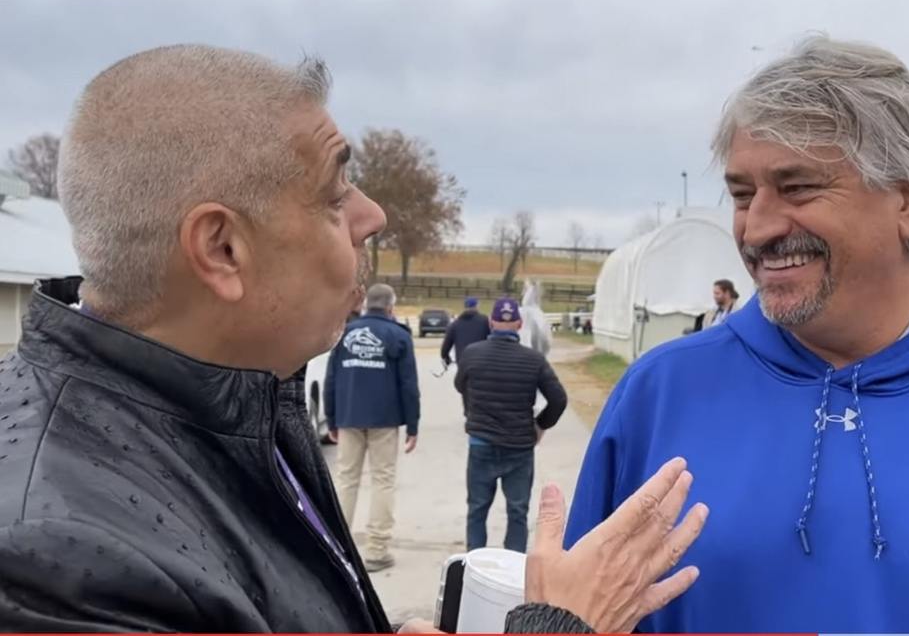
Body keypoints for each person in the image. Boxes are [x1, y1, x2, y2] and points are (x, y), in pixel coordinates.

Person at [0, 44, 709, 633]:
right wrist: (562, 624)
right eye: (335, 196)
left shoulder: (238, 392)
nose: (372, 215)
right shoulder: (53, 569)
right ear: (221, 250)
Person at [566, 36, 909, 633]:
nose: (757, 229)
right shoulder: (659, 395)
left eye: (798, 187)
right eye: (741, 194)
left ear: (907, 200)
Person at [455, 297, 567, 553]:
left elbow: (460, 385)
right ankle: (513, 568)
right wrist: (540, 425)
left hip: (481, 442)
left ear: (492, 323)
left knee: (477, 509)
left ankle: (474, 561)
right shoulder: (534, 360)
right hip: (519, 446)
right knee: (517, 510)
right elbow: (558, 399)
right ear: (518, 324)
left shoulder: (472, 353)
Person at [324, 282, 418, 573]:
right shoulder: (398, 336)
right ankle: (376, 550)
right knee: (383, 480)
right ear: (390, 307)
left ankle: (335, 545)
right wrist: (412, 425)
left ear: (365, 304)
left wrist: (332, 418)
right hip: (384, 419)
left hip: (349, 416)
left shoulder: (344, 333)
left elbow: (331, 379)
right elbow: (408, 385)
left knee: (346, 480)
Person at [440, 296, 490, 368]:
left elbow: (445, 347)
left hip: (463, 362)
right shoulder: (485, 321)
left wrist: (446, 358)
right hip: (482, 361)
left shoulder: (455, 324)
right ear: (477, 305)